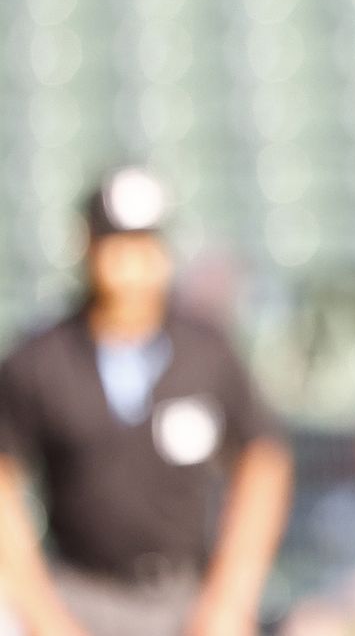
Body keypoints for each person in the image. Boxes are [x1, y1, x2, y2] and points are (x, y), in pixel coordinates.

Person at [0, 168, 292, 636]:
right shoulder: (42, 359)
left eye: (143, 245)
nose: (131, 263)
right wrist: (43, 614)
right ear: (89, 247)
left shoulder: (206, 354)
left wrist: (230, 597)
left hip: (186, 598)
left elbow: (263, 463)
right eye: (116, 244)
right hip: (80, 595)